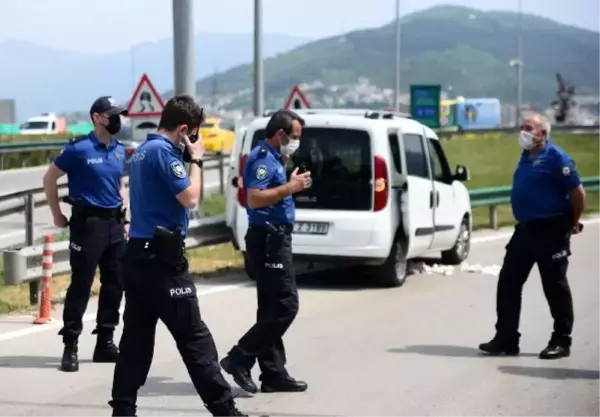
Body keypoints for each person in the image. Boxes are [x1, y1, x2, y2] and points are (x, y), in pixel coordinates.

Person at [109, 95, 250, 417]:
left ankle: (123, 408)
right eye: (195, 134)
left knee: (136, 339)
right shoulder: (163, 152)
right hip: (163, 261)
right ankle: (225, 411)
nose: (195, 141)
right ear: (184, 129)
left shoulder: (143, 151)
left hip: (139, 256)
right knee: (194, 338)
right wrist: (196, 160)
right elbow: (190, 198)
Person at [479, 113, 586, 360]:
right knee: (508, 281)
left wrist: (573, 221)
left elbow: (578, 192)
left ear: (542, 134)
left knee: (554, 285)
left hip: (551, 229)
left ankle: (561, 340)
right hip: (526, 229)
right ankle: (506, 338)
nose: (524, 132)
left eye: (529, 128)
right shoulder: (526, 156)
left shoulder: (556, 158)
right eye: (522, 128)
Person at [220, 109, 311, 394]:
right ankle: (239, 357)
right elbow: (254, 199)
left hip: (277, 237)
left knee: (271, 308)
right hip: (269, 240)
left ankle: (273, 373)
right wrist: (290, 187)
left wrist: (288, 182)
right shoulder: (261, 159)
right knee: (286, 305)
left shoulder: (274, 157)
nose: (297, 142)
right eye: (294, 137)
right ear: (280, 134)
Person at [43, 96, 129, 373]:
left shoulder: (118, 150)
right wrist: (56, 214)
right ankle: (71, 345)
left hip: (114, 224)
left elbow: (120, 184)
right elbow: (49, 178)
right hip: (87, 224)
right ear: (96, 117)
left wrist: (126, 219)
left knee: (115, 283)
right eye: (111, 115)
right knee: (81, 284)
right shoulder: (79, 149)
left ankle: (105, 341)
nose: (117, 119)